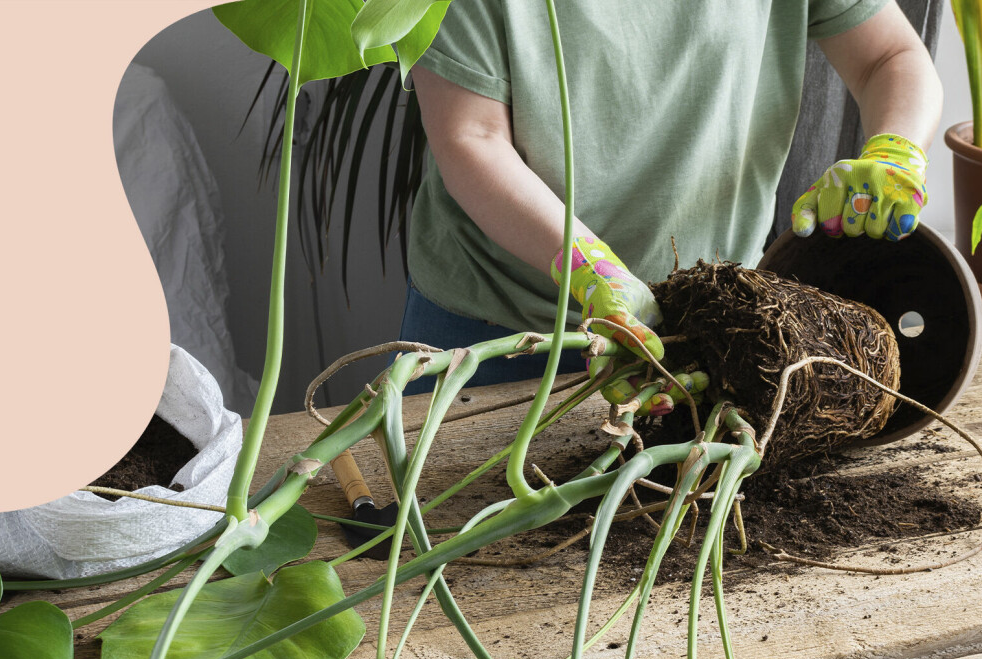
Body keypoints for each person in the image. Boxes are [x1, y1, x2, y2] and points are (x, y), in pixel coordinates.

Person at [399, 0, 940, 394]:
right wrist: (590, 270)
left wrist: (895, 151)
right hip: (502, 323)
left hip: (711, 319)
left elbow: (888, 55)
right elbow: (472, 138)